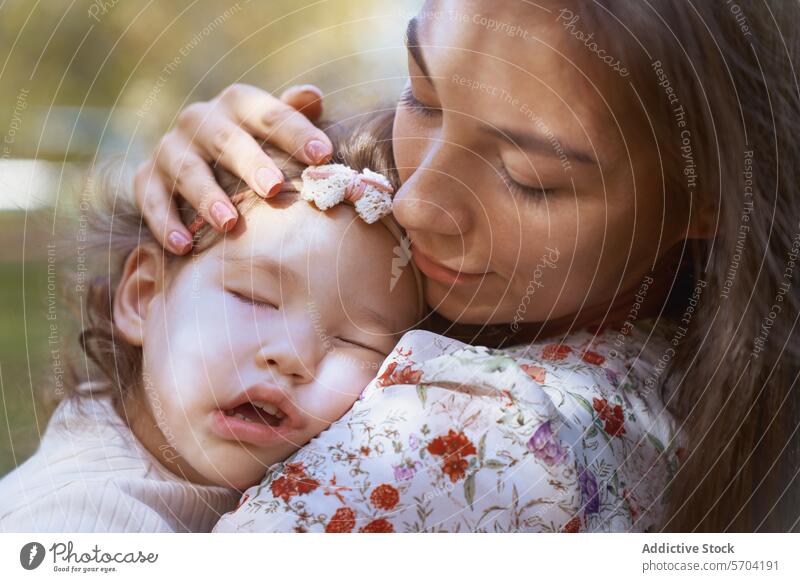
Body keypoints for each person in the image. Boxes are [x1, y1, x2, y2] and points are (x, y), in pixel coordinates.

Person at [132, 2, 800, 531]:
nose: (416, 203)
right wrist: (226, 218)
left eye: (530, 177)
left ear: (708, 193)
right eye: (422, 96)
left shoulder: (468, 439)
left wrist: (122, 414)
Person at [0, 115, 423, 533]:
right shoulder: (83, 523)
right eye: (255, 299)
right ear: (143, 296)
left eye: (356, 342)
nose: (293, 355)